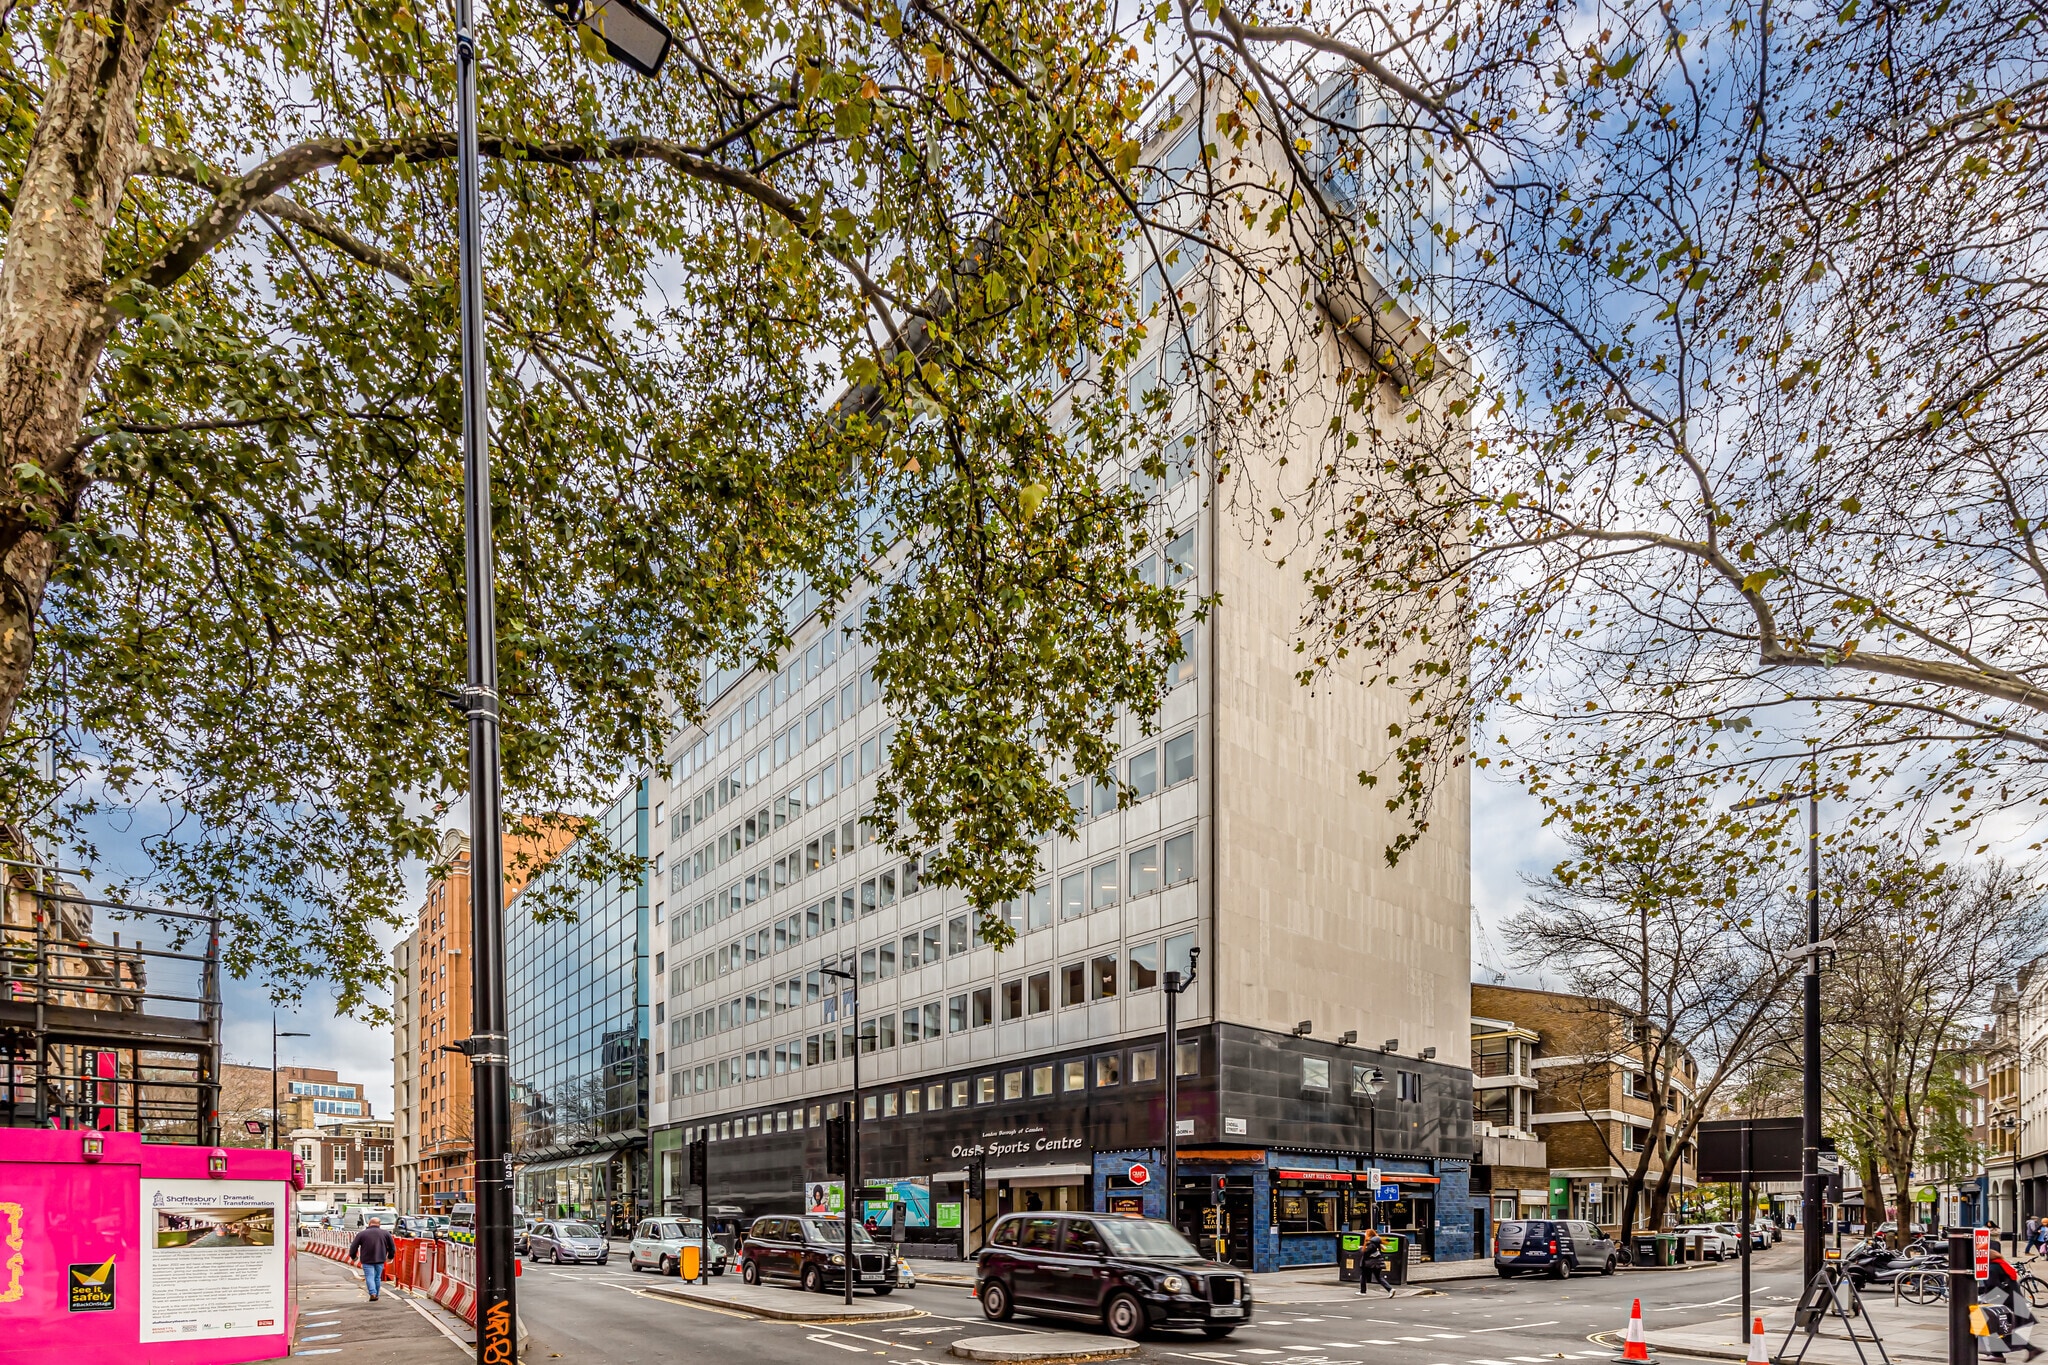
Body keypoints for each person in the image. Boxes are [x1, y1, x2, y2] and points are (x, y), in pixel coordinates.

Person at [347, 1215, 397, 1302]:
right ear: (379, 1224)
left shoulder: (362, 1234)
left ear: (369, 1224)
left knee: (369, 1276)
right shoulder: (386, 1233)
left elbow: (353, 1247)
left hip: (367, 1259)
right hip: (380, 1259)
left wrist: (353, 1256)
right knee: (377, 1277)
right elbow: (392, 1247)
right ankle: (376, 1294)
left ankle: (372, 1293)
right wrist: (390, 1257)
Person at [1357, 1229, 1394, 1297]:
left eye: (1366, 1233)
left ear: (1369, 1234)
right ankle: (1390, 1289)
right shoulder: (1377, 1242)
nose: (1365, 1234)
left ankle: (1363, 1291)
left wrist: (1360, 1249)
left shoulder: (1371, 1243)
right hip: (1377, 1262)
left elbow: (1365, 1252)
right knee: (1378, 1277)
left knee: (1363, 1276)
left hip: (1370, 1263)